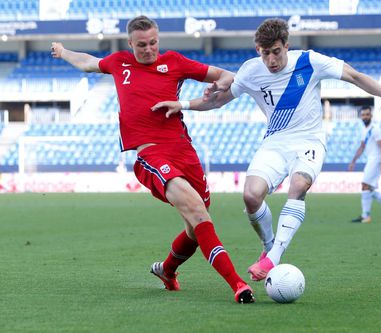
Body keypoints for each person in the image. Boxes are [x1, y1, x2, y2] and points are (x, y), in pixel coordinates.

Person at [151, 18, 381, 281]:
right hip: (275, 142)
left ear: (286, 46)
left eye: (276, 52)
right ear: (258, 51)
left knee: (298, 186)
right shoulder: (250, 71)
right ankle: (268, 246)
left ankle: (273, 257)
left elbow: (354, 75)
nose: (271, 60)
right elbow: (217, 101)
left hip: (309, 141)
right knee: (251, 196)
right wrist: (183, 104)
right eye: (265, 53)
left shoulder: (309, 61)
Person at [50, 15, 255, 303]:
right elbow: (87, 62)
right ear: (130, 43)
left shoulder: (174, 62)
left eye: (153, 43)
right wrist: (63, 51)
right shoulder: (119, 62)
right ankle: (238, 284)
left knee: (196, 227)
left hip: (184, 151)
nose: (149, 49)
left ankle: (167, 270)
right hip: (151, 154)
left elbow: (227, 76)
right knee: (198, 214)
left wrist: (216, 87)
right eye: (142, 45)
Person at [349, 106, 381, 224]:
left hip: (376, 160)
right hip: (371, 159)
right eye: (363, 115)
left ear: (371, 115)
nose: (365, 117)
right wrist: (353, 161)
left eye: (367, 114)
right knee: (369, 189)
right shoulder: (364, 130)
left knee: (365, 185)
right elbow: (362, 147)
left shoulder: (375, 129)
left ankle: (365, 216)